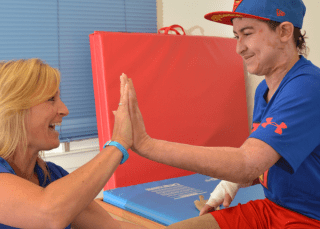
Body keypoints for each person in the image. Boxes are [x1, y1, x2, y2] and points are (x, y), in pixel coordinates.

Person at [124, 0, 320, 228]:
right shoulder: (263, 91)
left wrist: (146, 145)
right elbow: (268, 157)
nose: (239, 48)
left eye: (247, 33)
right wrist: (228, 185)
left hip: (310, 218)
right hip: (272, 209)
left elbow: (249, 164)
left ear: (285, 31)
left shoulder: (308, 87)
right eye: (237, 36)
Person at [0, 59, 147, 229]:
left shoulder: (52, 175)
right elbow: (48, 214)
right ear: (13, 109)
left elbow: (111, 227)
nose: (64, 110)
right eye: (50, 99)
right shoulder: (50, 200)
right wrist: (118, 143)